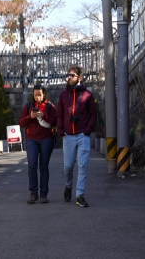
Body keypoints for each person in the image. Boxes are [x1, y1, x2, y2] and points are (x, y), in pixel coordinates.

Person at [56, 66, 96, 207]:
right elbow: (59, 114)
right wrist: (61, 130)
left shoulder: (87, 95)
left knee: (83, 165)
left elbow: (93, 114)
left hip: (82, 135)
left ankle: (80, 195)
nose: (69, 77)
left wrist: (87, 130)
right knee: (68, 167)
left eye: (71, 75)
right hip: (68, 136)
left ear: (79, 78)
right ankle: (68, 186)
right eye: (68, 75)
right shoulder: (63, 95)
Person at [19, 85, 57, 204]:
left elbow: (55, 121)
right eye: (35, 95)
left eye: (39, 94)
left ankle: (44, 194)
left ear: (44, 94)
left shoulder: (50, 106)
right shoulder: (29, 106)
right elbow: (21, 122)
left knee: (44, 166)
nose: (37, 97)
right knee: (32, 165)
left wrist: (44, 115)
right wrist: (30, 116)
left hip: (46, 138)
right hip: (31, 139)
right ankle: (33, 193)